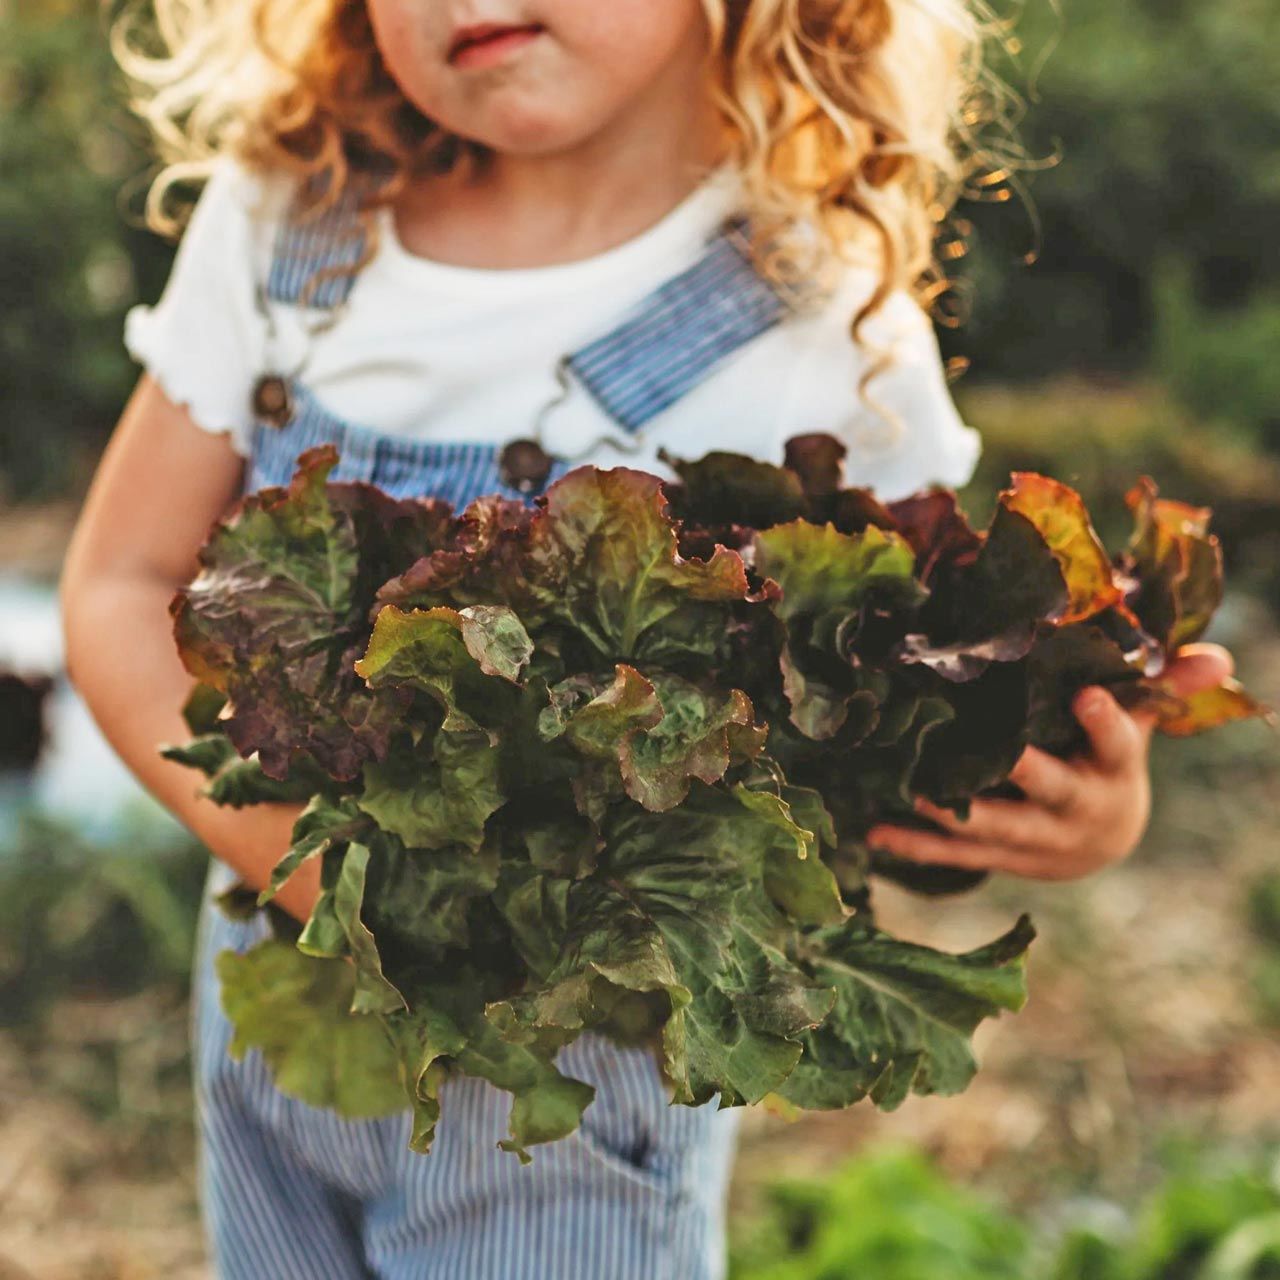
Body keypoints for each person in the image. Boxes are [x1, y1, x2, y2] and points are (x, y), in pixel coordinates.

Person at [59, 2, 1233, 1277]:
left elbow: (898, 704)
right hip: (278, 1025)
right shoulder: (290, 220)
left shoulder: (822, 318)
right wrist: (312, 869)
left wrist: (1087, 802)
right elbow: (119, 586)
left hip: (573, 1085)